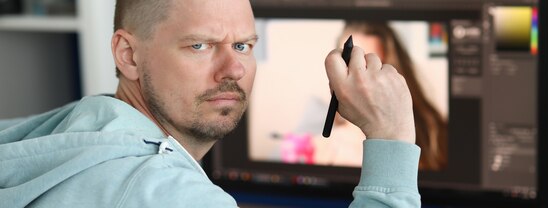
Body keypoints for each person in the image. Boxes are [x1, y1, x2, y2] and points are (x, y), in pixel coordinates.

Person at [0, 0, 421, 207]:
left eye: (242, 45)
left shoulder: (63, 131)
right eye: (199, 45)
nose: (234, 69)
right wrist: (393, 138)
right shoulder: (166, 193)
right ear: (128, 55)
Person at [337, 20, 448, 171]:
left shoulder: (434, 132)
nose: (361, 80)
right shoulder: (323, 146)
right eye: (351, 63)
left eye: (369, 66)